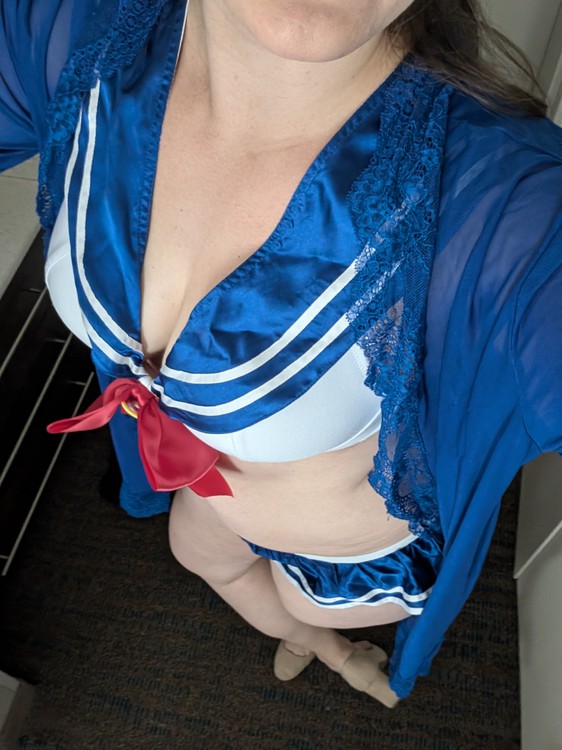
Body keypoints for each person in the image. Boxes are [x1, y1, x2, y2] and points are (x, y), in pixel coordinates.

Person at [1, 0, 561, 707]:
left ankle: (323, 637)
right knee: (201, 558)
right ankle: (322, 648)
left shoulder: (514, 212)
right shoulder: (69, 32)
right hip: (215, 499)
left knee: (301, 603)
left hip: (345, 555)